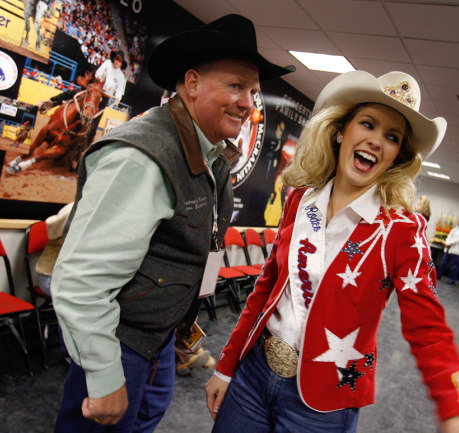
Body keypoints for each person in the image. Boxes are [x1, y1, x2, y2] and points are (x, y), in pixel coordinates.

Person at [205, 70, 459, 433]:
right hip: (252, 375)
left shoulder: (402, 232)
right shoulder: (301, 198)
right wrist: (226, 365)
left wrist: (458, 407)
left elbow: (429, 328)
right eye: (368, 124)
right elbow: (266, 287)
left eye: (391, 137)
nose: (376, 141)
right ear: (342, 130)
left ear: (396, 157)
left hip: (323, 402)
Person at [50, 14, 293, 433]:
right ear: (193, 83)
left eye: (253, 91)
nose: (249, 103)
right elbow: (81, 281)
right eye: (236, 86)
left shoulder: (209, 154)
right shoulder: (144, 156)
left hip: (158, 340)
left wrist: (178, 333)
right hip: (120, 343)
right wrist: (106, 376)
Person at [437, 216, 459, 284]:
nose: (458, 221)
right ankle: (438, 275)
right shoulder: (456, 229)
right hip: (449, 249)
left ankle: (452, 279)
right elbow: (449, 236)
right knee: (443, 263)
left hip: (455, 251)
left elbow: (456, 239)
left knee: (454, 266)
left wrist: (448, 244)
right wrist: (447, 243)